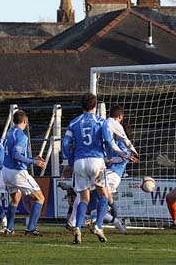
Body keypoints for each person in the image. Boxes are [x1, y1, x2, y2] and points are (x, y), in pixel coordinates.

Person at [62, 92, 109, 244]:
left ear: (81, 105)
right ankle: (99, 226)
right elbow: (108, 139)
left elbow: (65, 144)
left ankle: (77, 228)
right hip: (96, 160)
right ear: (95, 105)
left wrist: (70, 160)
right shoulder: (101, 122)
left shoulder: (74, 123)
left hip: (79, 162)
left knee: (84, 198)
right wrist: (109, 154)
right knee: (103, 195)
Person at [2, 110, 47, 236]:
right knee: (40, 198)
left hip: (5, 171)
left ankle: (9, 228)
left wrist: (32, 157)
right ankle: (31, 228)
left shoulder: (9, 133)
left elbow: (14, 152)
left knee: (15, 198)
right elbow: (16, 155)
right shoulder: (22, 135)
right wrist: (33, 161)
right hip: (17, 172)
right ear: (25, 121)